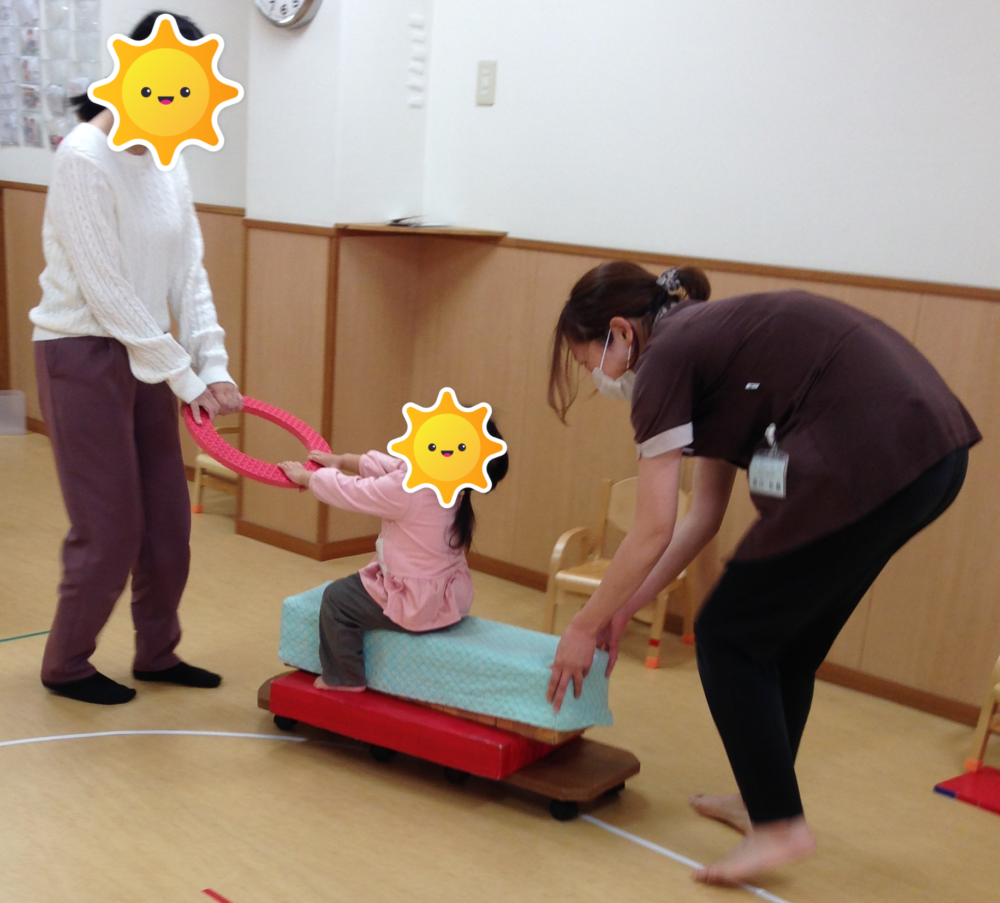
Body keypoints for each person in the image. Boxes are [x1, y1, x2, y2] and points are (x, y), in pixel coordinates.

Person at [544, 261, 980, 884]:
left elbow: (652, 527)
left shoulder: (665, 360)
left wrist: (584, 626)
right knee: (785, 646)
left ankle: (777, 826)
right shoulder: (704, 340)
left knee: (726, 634)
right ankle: (762, 806)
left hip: (872, 455)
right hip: (932, 457)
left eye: (588, 358)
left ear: (619, 332)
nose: (597, 375)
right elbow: (703, 517)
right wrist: (622, 607)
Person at [29, 12, 241, 706]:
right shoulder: (83, 156)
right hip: (82, 351)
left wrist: (213, 365)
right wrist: (181, 371)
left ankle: (157, 652)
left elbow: (189, 273)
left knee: (168, 524)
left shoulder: (171, 159)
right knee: (110, 525)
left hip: (150, 352)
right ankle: (66, 663)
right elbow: (106, 288)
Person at [278, 423, 509, 691]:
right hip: (449, 599)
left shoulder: (409, 490)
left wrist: (307, 478)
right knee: (366, 576)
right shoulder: (449, 484)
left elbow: (354, 491)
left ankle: (344, 677)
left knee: (337, 599)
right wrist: (340, 461)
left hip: (416, 604)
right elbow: (393, 466)